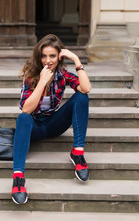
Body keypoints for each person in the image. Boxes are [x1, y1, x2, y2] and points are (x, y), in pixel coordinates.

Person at [11, 34, 92, 205]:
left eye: (52, 56)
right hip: (34, 127)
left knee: (81, 97)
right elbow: (26, 108)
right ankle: (18, 178)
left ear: (59, 57)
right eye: (44, 56)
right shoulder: (31, 76)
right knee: (23, 118)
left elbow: (86, 88)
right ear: (38, 57)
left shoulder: (62, 75)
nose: (48, 60)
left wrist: (76, 60)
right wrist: (42, 82)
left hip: (54, 124)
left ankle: (77, 153)